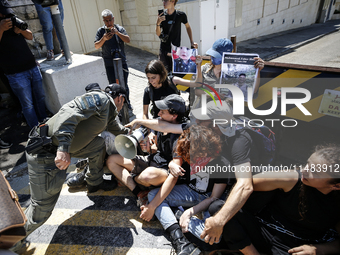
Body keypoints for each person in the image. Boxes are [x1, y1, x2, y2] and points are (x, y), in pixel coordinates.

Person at [24, 83, 129, 237]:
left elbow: (118, 129)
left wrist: (134, 132)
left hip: (57, 149)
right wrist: (64, 148)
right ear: (121, 98)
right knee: (41, 210)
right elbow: (68, 112)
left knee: (99, 145)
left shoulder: (109, 113)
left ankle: (94, 182)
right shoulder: (102, 99)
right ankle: (8, 241)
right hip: (45, 153)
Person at [211, 144, 340, 254]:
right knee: (219, 208)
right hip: (261, 232)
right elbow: (244, 186)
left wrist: (319, 250)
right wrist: (219, 220)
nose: (305, 170)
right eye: (308, 164)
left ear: (336, 185)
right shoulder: (292, 179)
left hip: (296, 246)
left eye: (315, 172)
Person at [142, 125, 232, 255]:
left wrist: (189, 212)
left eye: (200, 157)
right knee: (153, 195)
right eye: (192, 158)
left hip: (209, 199)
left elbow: (214, 198)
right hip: (190, 192)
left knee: (212, 237)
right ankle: (179, 239)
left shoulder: (222, 163)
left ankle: (177, 214)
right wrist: (172, 164)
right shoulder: (187, 149)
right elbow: (175, 163)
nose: (195, 162)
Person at [107, 94, 188, 205]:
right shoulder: (162, 123)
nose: (159, 114)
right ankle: (140, 192)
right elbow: (159, 130)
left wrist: (152, 206)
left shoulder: (181, 137)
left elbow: (175, 172)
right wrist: (149, 149)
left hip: (164, 171)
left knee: (147, 175)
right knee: (112, 160)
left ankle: (133, 179)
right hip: (154, 161)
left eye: (163, 112)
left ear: (174, 116)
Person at [0, 0, 47, 129]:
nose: (7, 17)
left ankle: (44, 123)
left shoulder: (13, 20)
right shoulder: (1, 26)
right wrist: (1, 29)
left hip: (31, 67)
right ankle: (35, 131)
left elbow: (30, 36)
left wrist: (20, 30)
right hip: (15, 73)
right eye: (4, 14)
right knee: (28, 104)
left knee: (40, 97)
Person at [195, 38, 264, 106]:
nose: (213, 57)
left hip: (225, 110)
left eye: (217, 56)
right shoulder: (204, 68)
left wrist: (257, 70)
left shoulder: (234, 73)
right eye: (212, 54)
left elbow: (253, 92)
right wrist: (211, 94)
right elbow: (197, 90)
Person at [94, 9, 131, 107]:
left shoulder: (119, 28)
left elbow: (128, 40)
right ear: (103, 21)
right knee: (113, 86)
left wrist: (118, 33)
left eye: (110, 20)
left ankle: (127, 103)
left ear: (113, 19)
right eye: (106, 21)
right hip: (109, 63)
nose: (109, 23)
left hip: (122, 62)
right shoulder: (101, 31)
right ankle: (116, 106)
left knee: (124, 86)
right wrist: (104, 39)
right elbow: (96, 46)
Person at [156, 0, 197, 72]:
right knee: (163, 73)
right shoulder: (162, 16)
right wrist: (158, 23)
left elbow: (188, 27)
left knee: (175, 73)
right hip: (164, 50)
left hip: (176, 51)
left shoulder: (181, 15)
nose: (163, 2)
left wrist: (191, 41)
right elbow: (158, 34)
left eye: (165, 0)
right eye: (163, 1)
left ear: (172, 1)